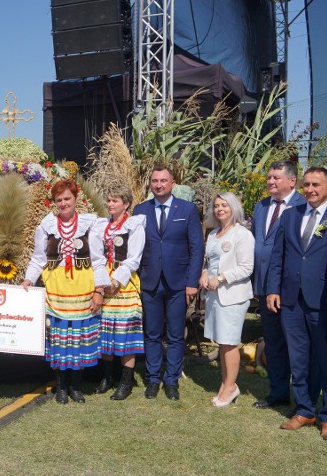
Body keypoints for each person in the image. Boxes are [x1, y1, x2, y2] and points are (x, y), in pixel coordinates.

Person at [267, 167, 327, 438]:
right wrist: (273, 289)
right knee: (298, 358)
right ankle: (304, 410)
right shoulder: (290, 216)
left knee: (325, 360)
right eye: (307, 184)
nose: (310, 189)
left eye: (316, 185)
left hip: (323, 300)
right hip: (290, 299)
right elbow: (279, 255)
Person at [22, 180, 107, 404]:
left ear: (76, 199)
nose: (63, 203)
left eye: (67, 198)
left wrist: (99, 290)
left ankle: (76, 387)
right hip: (57, 289)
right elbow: (38, 258)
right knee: (59, 341)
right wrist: (29, 278)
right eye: (59, 200)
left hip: (82, 287)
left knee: (77, 340)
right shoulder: (46, 226)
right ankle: (61, 386)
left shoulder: (90, 224)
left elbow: (99, 260)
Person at [132, 165, 204, 401]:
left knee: (175, 335)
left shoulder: (187, 209)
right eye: (155, 181)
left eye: (164, 180)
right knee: (152, 333)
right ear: (150, 184)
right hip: (150, 281)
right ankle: (153, 378)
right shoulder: (140, 210)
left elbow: (197, 248)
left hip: (178, 283)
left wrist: (192, 282)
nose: (159, 184)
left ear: (173, 183)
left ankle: (171, 380)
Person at [250, 160, 306, 409]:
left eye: (276, 178)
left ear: (292, 181)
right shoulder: (261, 207)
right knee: (273, 343)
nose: (271, 182)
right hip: (264, 286)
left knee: (296, 345)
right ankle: (278, 393)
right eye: (269, 177)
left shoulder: (304, 205)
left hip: (292, 288)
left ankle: (303, 399)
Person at [200, 192, 254, 407]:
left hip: (232, 295)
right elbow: (209, 261)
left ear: (234, 207)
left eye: (224, 205)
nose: (219, 209)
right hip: (214, 295)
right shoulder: (214, 233)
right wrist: (205, 273)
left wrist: (221, 278)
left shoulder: (242, 234)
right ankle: (226, 383)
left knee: (230, 342)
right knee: (222, 342)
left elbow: (247, 267)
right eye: (216, 205)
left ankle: (230, 387)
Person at [92, 185, 145, 401]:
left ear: (126, 204)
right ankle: (107, 377)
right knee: (105, 331)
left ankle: (125, 382)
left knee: (125, 332)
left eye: (115, 201)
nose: (110, 204)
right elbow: (96, 256)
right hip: (105, 279)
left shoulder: (134, 225)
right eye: (109, 200)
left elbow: (134, 258)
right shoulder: (101, 225)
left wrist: (116, 280)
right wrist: (103, 282)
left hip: (125, 282)